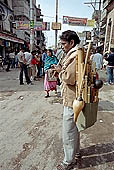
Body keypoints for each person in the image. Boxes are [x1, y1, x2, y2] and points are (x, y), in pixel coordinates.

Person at [53, 30, 81, 170]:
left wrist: (59, 71)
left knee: (68, 131)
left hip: (72, 99)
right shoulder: (75, 53)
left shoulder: (75, 56)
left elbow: (69, 78)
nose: (62, 46)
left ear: (71, 42)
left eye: (64, 43)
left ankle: (69, 161)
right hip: (75, 98)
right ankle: (76, 153)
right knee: (74, 128)